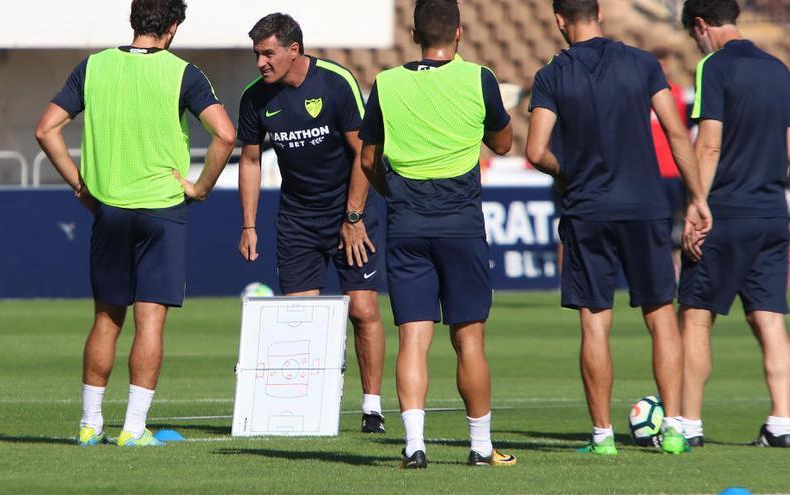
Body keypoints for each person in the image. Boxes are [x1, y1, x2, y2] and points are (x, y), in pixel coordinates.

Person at [34, 0, 235, 447]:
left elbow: (46, 129)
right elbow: (225, 133)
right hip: (162, 209)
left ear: (133, 20)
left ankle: (90, 426)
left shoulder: (94, 66)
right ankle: (132, 429)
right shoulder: (183, 72)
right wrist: (201, 187)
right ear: (174, 26)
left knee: (106, 320)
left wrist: (82, 187)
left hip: (109, 208)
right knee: (150, 323)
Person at [525, 0, 711, 455]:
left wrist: (565, 173)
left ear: (559, 20)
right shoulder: (642, 63)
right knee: (661, 318)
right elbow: (674, 132)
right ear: (600, 14)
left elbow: (535, 151)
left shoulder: (552, 74)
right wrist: (698, 198)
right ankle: (672, 430)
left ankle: (603, 436)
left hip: (587, 209)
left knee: (595, 323)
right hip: (644, 206)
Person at [359, 0, 516, 469]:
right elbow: (504, 143)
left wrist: (397, 196)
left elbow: (368, 161)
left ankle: (413, 445)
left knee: (413, 338)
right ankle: (481, 447)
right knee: (469, 339)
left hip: (407, 223)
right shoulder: (479, 78)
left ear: (413, 35)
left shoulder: (386, 83)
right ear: (460, 33)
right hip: (462, 225)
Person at [236, 13, 388, 433]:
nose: (261, 63)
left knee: (362, 309)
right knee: (303, 314)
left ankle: (372, 408)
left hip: (350, 210)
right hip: (298, 218)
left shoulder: (335, 83)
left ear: (293, 50)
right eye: (257, 55)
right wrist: (249, 226)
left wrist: (353, 216)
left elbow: (364, 153)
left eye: (268, 54)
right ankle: (309, 409)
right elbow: (249, 161)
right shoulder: (254, 98)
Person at [678, 0, 790, 448]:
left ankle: (689, 425)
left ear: (700, 25)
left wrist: (696, 206)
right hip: (773, 214)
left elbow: (709, 146)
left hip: (726, 213)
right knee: (769, 320)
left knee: (696, 318)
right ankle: (781, 423)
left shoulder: (713, 67)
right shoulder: (779, 70)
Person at [651, 48, 692, 277]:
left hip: (673, 171)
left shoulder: (679, 95)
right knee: (657, 226)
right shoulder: (639, 96)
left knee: (676, 226)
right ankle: (661, 272)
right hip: (649, 173)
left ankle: (677, 272)